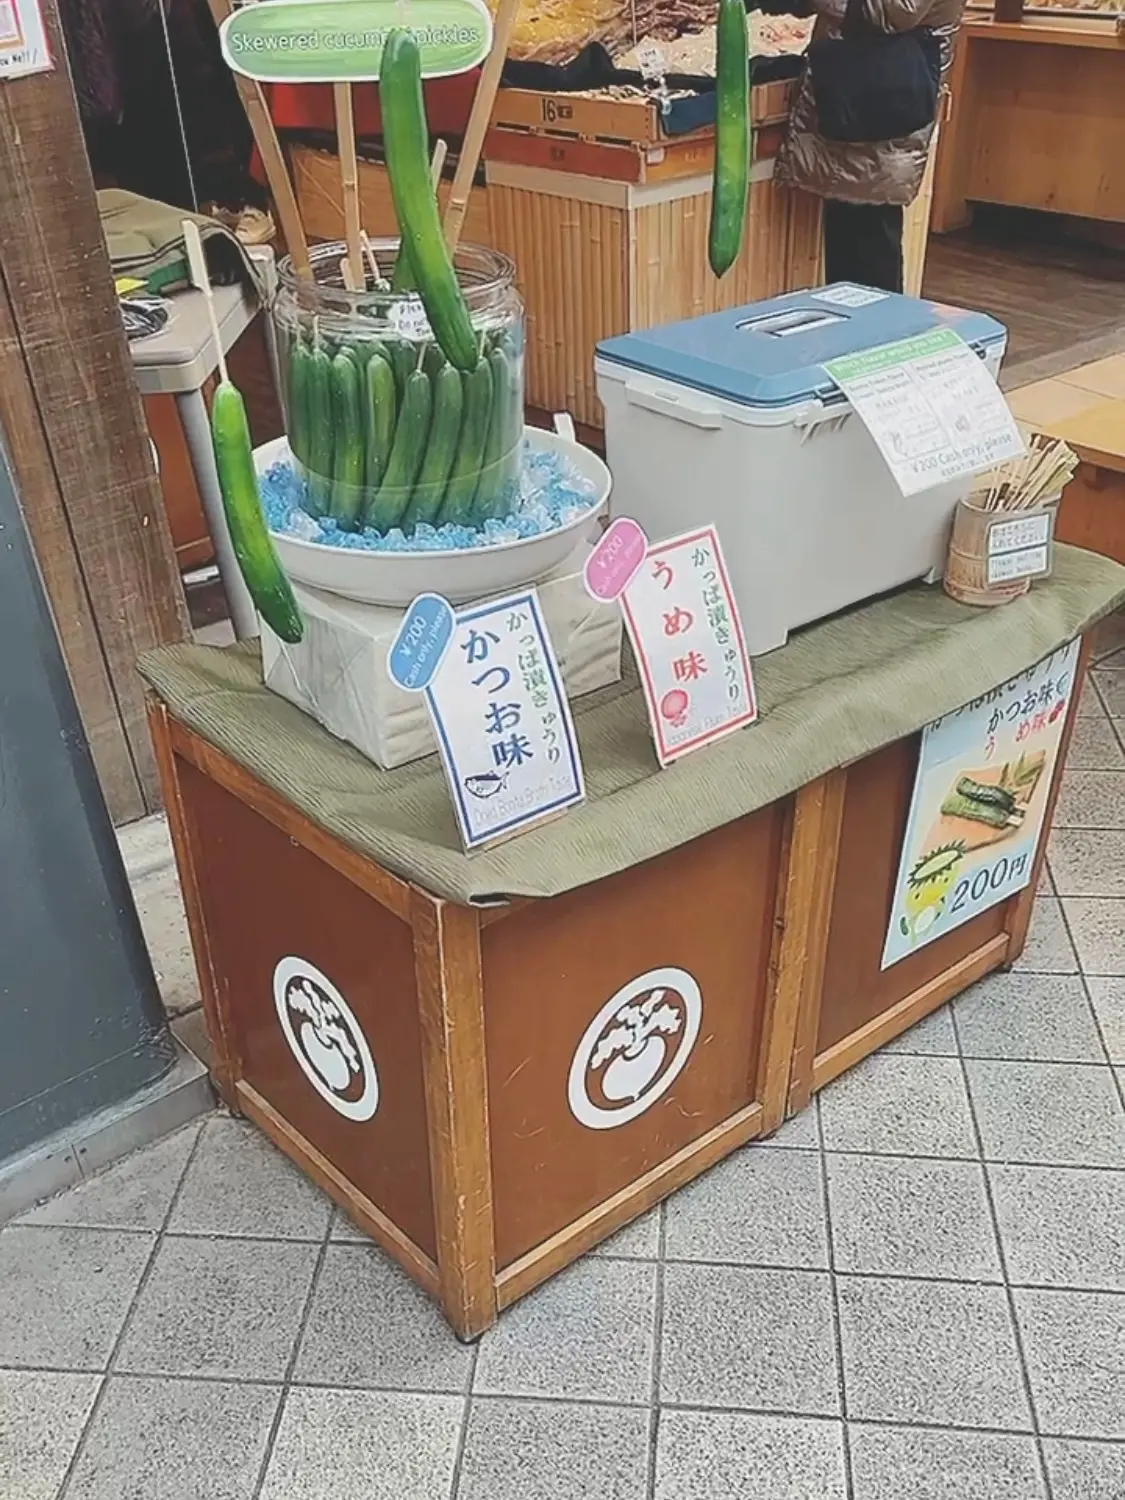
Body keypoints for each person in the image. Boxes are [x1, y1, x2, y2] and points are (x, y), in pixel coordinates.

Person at [768, 0, 966, 294]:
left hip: (882, 106)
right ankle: (858, 336)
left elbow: (892, 12)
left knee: (871, 260)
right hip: (855, 99)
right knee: (850, 257)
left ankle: (881, 337)